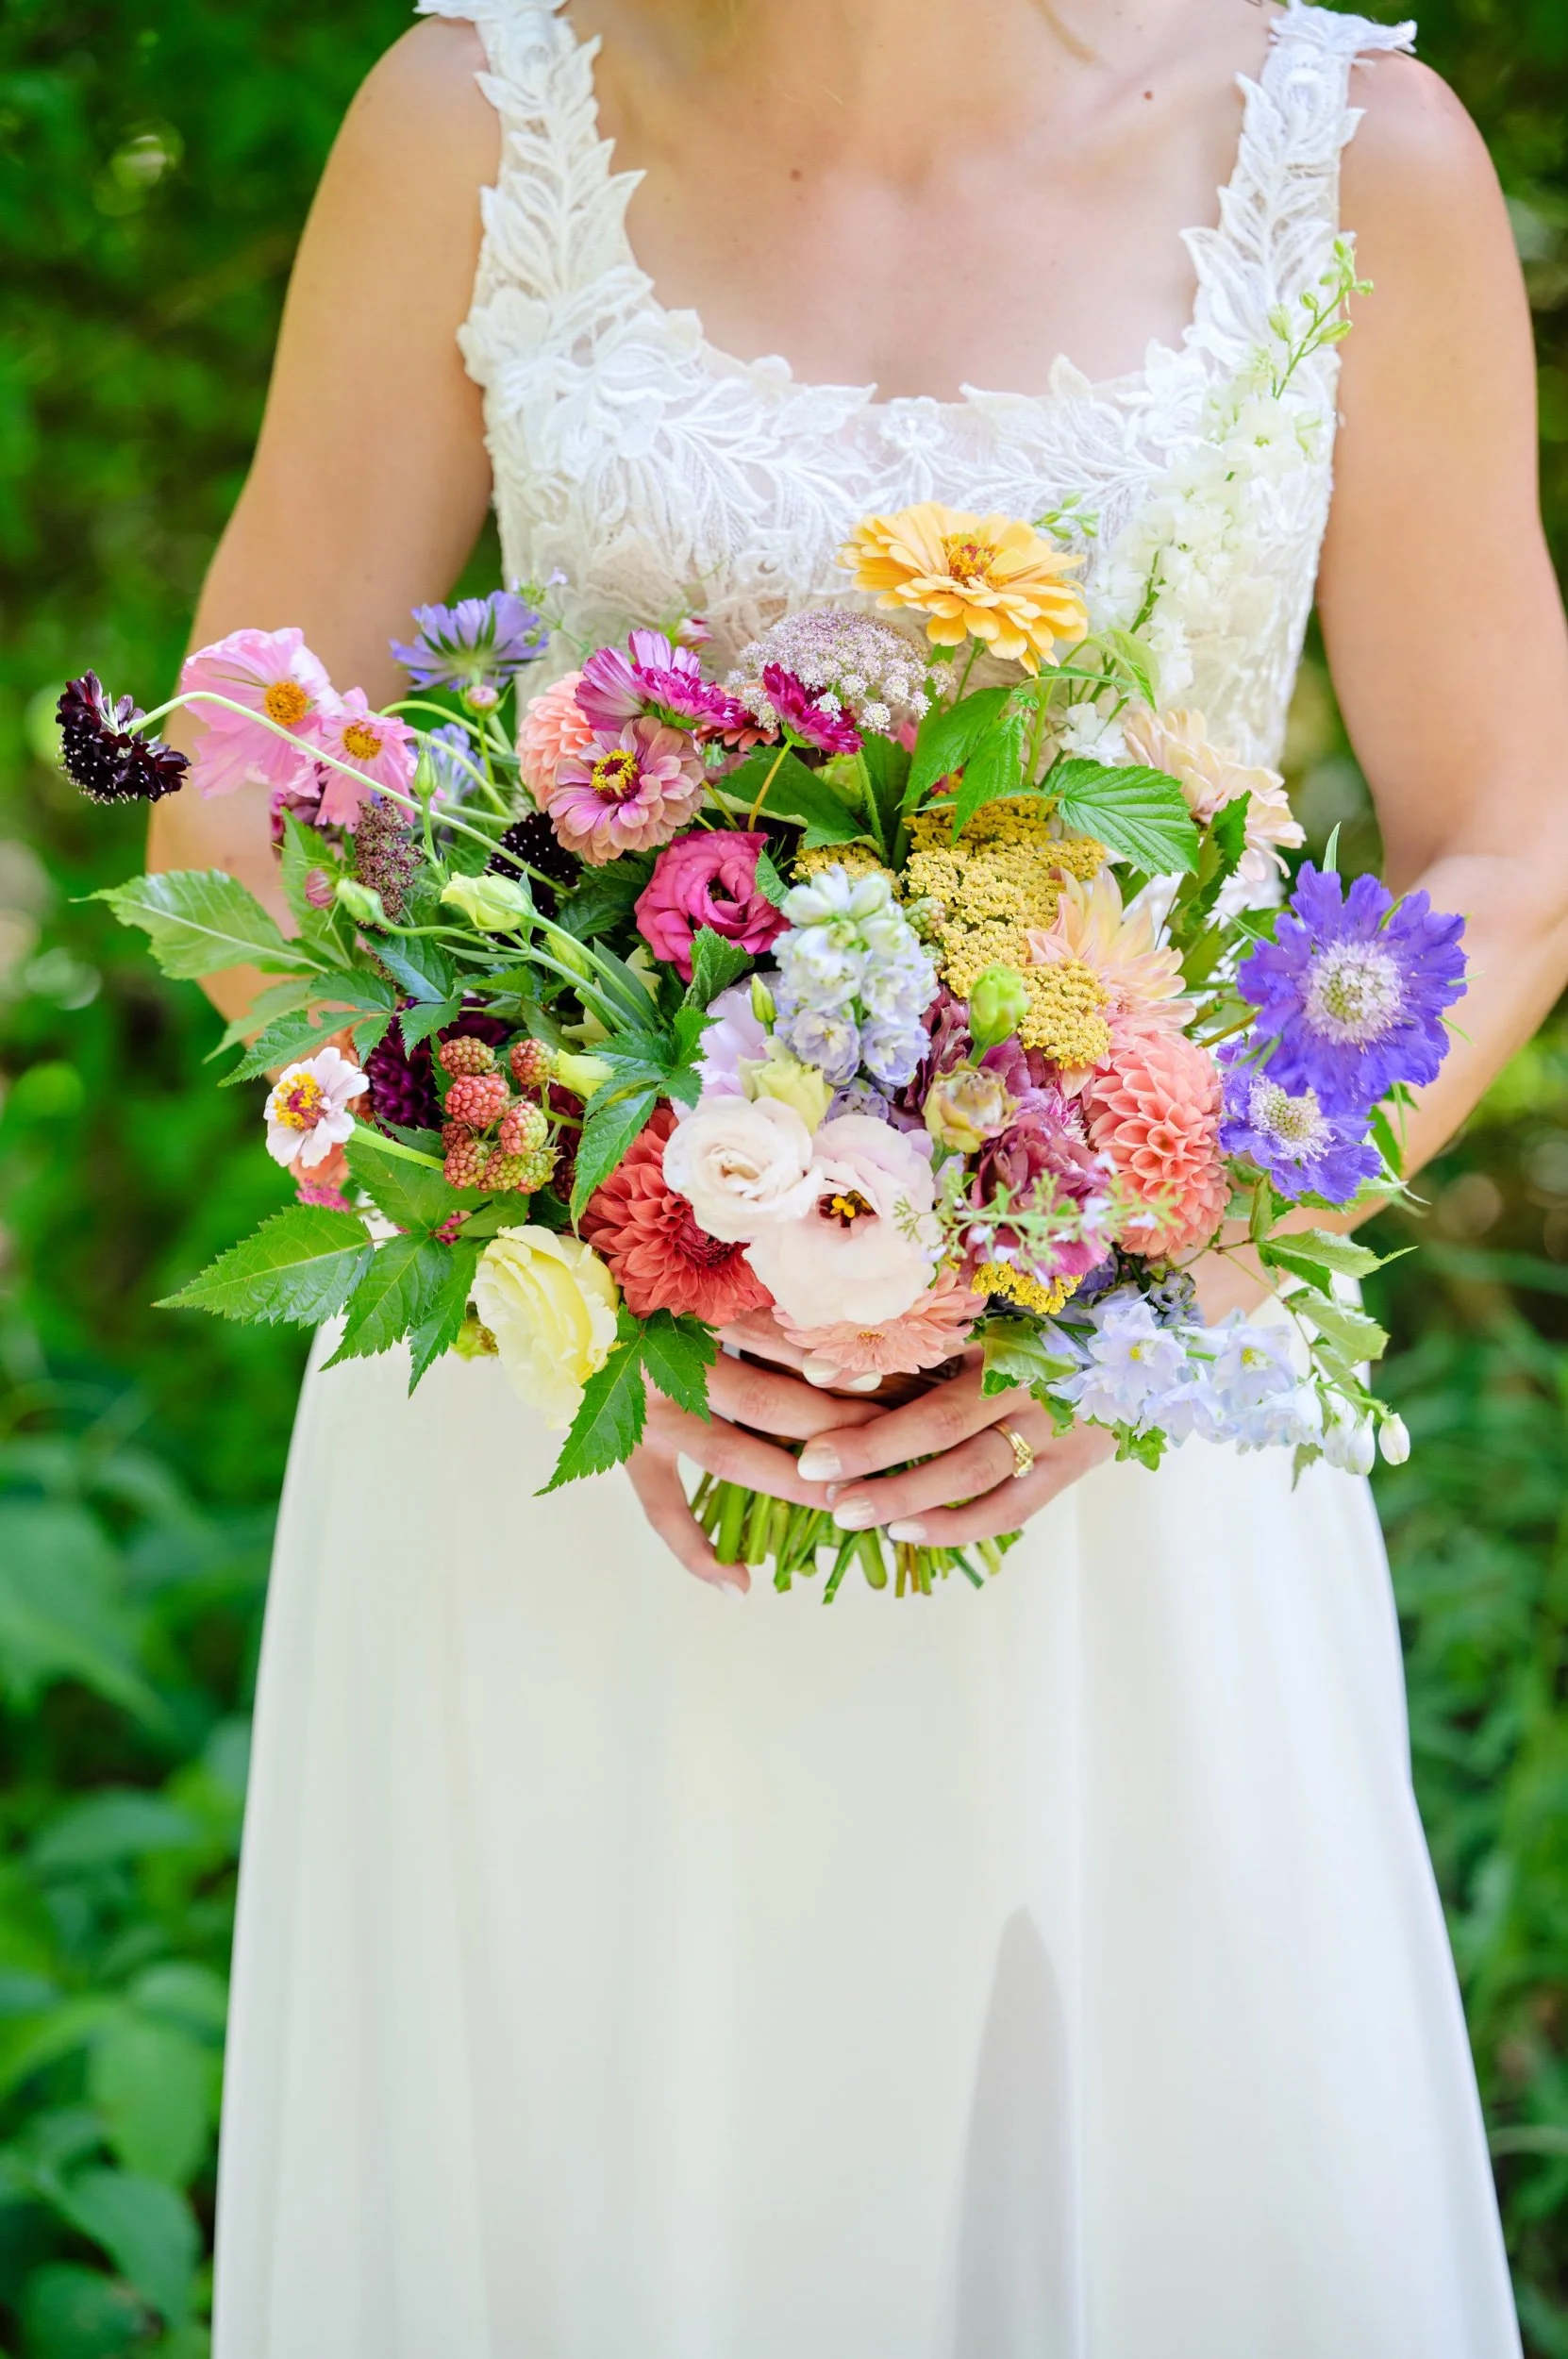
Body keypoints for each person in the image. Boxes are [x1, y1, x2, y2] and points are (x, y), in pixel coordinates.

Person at [151, 0, 1567, 2350]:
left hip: (1115, 1440)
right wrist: (548, 1235)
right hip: (563, 1445)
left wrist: (1177, 1274)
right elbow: (231, 776)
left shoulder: (1355, 158)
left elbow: (1511, 849)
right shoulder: (474, 118)